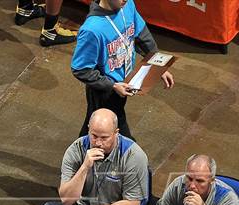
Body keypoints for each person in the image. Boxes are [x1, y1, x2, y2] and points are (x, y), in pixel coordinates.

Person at [71, 0, 174, 139]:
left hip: (123, 82)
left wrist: (159, 65)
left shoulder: (128, 5)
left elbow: (142, 36)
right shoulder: (92, 30)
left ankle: (82, 149)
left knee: (96, 126)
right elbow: (80, 69)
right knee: (109, 129)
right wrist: (112, 85)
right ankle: (132, 155)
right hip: (105, 91)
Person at [59, 108, 149, 205]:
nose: (98, 143)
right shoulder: (76, 150)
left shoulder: (133, 156)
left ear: (116, 133)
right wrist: (85, 167)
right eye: (94, 136)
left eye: (104, 138)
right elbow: (66, 201)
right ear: (88, 129)